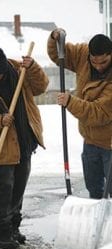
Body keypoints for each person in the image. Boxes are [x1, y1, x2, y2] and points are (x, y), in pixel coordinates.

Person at [0, 45, 49, 249]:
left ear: (3, 69)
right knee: (3, 189)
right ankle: (0, 233)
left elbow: (41, 87)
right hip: (0, 146)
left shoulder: (19, 71)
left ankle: (13, 228)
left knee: (18, 187)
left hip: (25, 140)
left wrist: (33, 67)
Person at [47, 29, 112, 199]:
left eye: (104, 62)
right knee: (94, 190)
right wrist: (55, 38)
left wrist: (70, 102)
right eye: (94, 61)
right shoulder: (83, 55)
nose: (98, 66)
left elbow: (97, 113)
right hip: (89, 141)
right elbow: (58, 55)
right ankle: (98, 223)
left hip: (110, 143)